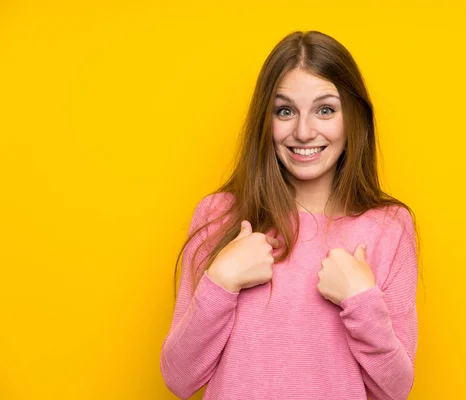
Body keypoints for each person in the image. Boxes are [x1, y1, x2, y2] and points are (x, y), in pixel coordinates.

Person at [160, 30, 420, 400]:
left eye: (325, 110)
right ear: (266, 120)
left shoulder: (388, 227)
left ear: (353, 118)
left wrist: (361, 301)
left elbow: (395, 390)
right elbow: (179, 378)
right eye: (285, 111)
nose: (302, 131)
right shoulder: (218, 215)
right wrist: (222, 279)